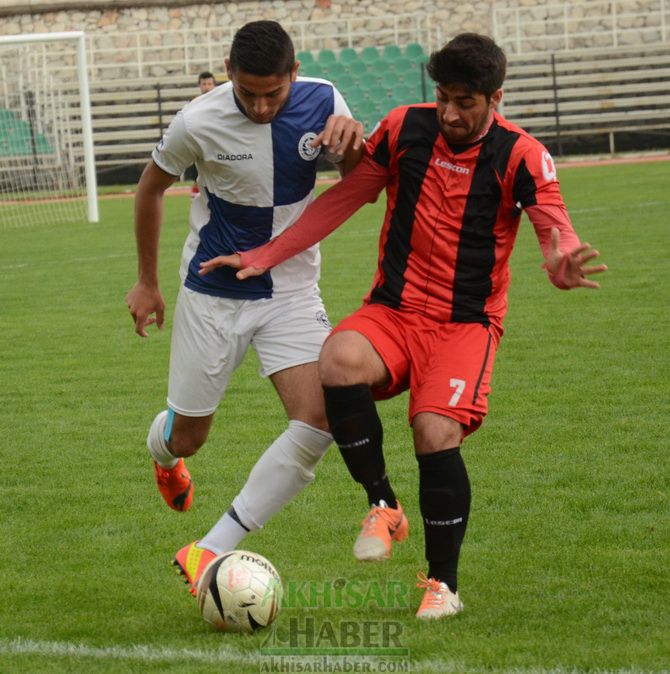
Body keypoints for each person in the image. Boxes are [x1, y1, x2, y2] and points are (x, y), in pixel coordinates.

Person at [199, 33, 607, 619]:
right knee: (336, 358)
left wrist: (559, 256)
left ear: (495, 97)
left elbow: (553, 224)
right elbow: (342, 200)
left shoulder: (521, 154)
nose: (449, 113)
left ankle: (443, 584)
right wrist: (264, 255)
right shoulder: (405, 129)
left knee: (434, 433)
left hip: (465, 325)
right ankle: (383, 505)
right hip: (393, 310)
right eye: (442, 97)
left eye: (465, 102)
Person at [126, 20, 364, 596]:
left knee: (321, 419)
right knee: (189, 437)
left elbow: (360, 180)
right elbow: (149, 188)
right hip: (214, 295)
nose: (260, 106)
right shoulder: (198, 119)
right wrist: (147, 283)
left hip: (291, 290)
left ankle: (210, 546)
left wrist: (352, 147)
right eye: (248, 92)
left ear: (294, 74)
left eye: (273, 94)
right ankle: (164, 455)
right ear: (229, 72)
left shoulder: (325, 100)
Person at [190, 72, 218, 199]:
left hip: (217, 144)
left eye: (209, 84)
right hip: (200, 144)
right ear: (199, 86)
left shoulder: (221, 102)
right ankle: (195, 198)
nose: (207, 87)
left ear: (214, 85)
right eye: (204, 84)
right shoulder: (194, 103)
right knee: (198, 175)